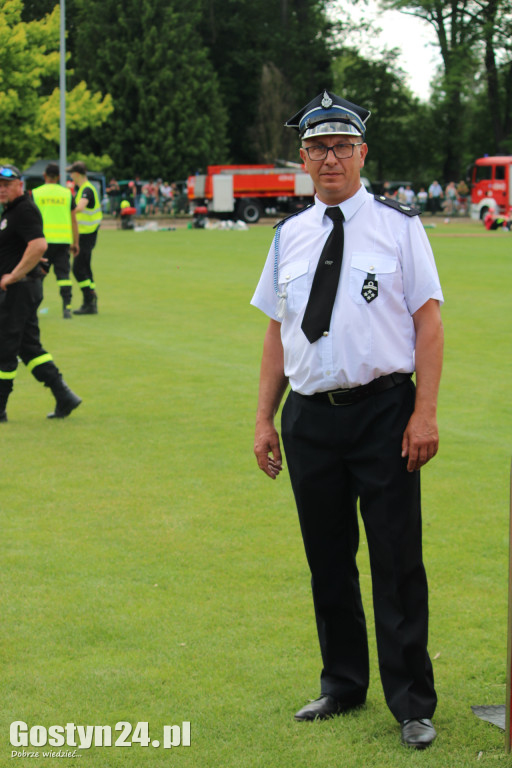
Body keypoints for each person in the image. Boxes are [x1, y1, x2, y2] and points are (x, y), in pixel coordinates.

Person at [251, 90, 444, 750]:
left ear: (362, 152)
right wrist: (264, 420)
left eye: (341, 145)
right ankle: (342, 683)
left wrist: (424, 414)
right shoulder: (288, 236)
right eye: (317, 147)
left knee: (396, 560)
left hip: (384, 412)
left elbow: (429, 324)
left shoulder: (400, 228)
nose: (329, 157)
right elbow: (278, 334)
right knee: (327, 559)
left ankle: (412, 702)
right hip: (309, 419)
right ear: (302, 158)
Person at [0, 164, 82, 421]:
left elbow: (38, 245)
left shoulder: (24, 209)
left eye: (7, 184)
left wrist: (14, 274)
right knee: (29, 347)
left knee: (5, 347)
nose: (2, 189)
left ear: (20, 185)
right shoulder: (10, 211)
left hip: (19, 289)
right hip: (24, 288)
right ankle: (64, 396)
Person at [32, 162, 79, 319]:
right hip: (63, 241)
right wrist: (75, 242)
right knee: (64, 276)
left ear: (45, 176)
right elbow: (74, 220)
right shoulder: (67, 194)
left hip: (42, 242)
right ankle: (67, 308)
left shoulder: (36, 193)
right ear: (59, 177)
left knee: (38, 275)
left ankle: (33, 307)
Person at [67, 161, 102, 315]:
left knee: (78, 268)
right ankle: (91, 300)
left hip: (87, 235)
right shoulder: (83, 188)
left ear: (77, 173)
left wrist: (67, 207)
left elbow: (80, 207)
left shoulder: (87, 189)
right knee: (85, 268)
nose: (70, 176)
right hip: (86, 234)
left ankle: (89, 299)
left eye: (71, 173)